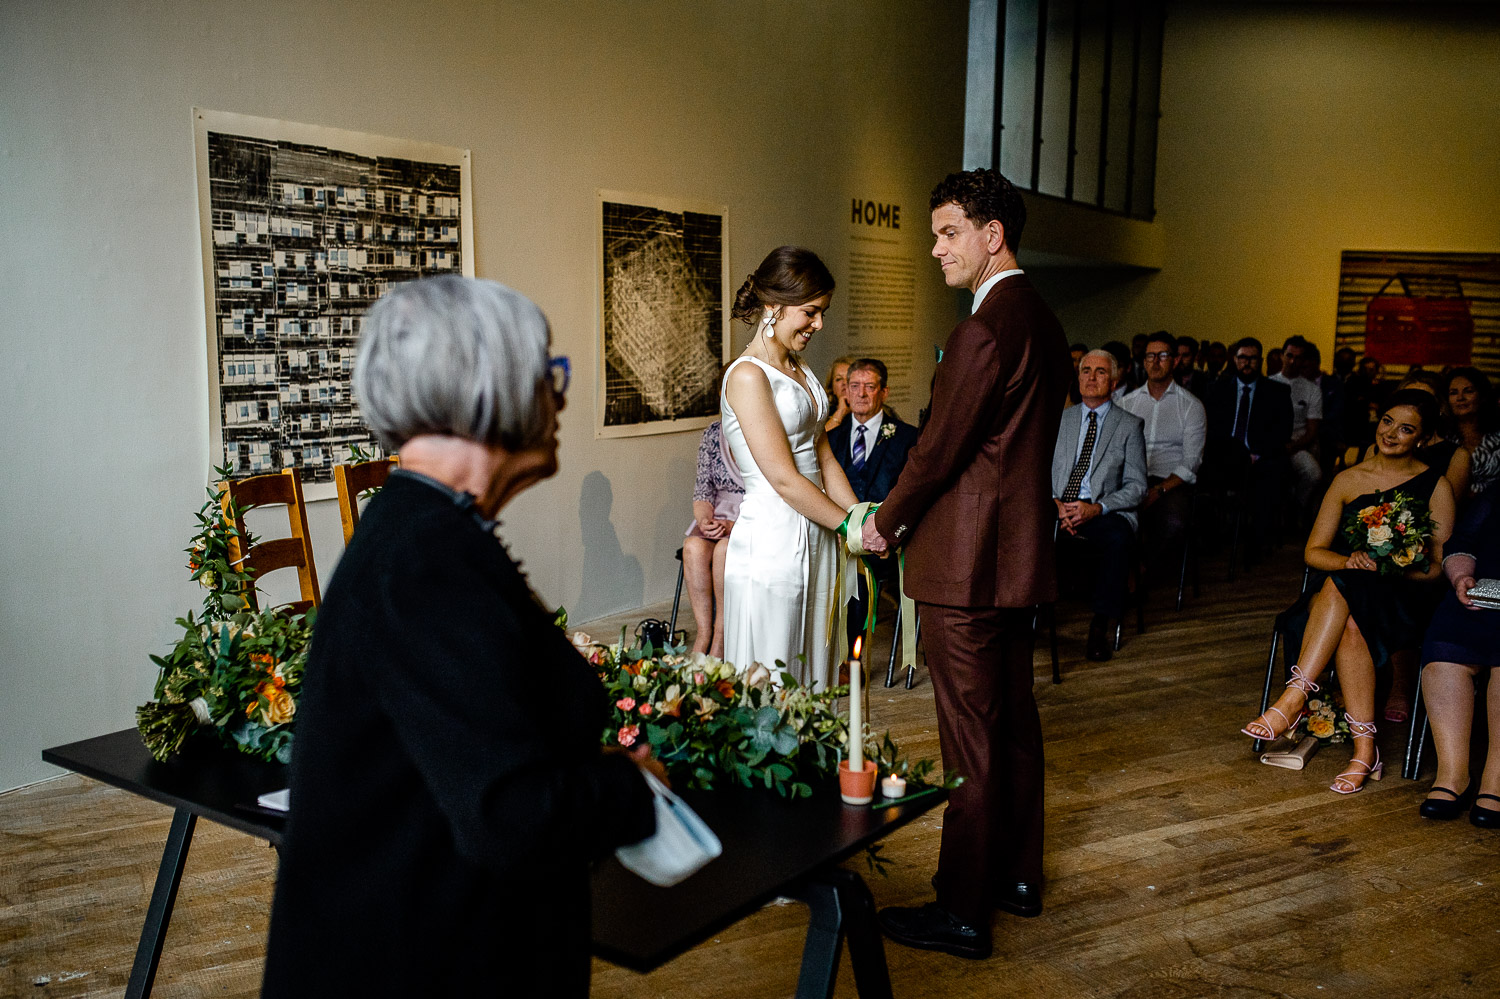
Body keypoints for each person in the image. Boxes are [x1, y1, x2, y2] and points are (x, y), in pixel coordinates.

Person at [262, 276, 661, 997]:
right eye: (547, 373)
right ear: (490, 387)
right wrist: (630, 787)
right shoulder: (427, 559)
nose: (559, 398)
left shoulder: (423, 531)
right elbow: (508, 815)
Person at [863, 168, 1071, 959]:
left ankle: (961, 910)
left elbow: (939, 449)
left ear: (993, 235)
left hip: (965, 565)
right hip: (1015, 561)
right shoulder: (1041, 317)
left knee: (972, 741)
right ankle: (1016, 877)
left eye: (949, 233)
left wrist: (885, 522)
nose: (936, 249)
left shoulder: (984, 328)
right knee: (1012, 724)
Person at [1240, 390, 1455, 795]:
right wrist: (1350, 560)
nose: (1391, 433)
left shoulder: (1436, 485)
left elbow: (1438, 566)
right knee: (1348, 605)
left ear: (1423, 438)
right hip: (1344, 593)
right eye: (1387, 421)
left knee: (1344, 595)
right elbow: (1313, 552)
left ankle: (1295, 698)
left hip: (1402, 600)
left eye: (1406, 429)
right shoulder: (1348, 479)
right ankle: (1364, 751)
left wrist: (1395, 563)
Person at [720, 246, 856, 691]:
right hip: (774, 540)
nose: (819, 324)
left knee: (816, 668)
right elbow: (782, 478)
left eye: (822, 313)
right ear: (774, 306)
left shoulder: (798, 366)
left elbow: (823, 455)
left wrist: (860, 517)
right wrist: (846, 526)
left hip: (817, 533)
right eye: (810, 312)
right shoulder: (747, 376)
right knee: (777, 674)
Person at [1052, 350, 1148, 662]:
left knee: (1118, 539)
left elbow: (1137, 486)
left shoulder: (1129, 425)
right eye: (1086, 371)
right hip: (1058, 506)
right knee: (1019, 529)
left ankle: (1099, 626)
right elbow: (1038, 471)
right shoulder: (1060, 420)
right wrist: (1055, 504)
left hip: (1102, 510)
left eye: (1101, 372)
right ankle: (1027, 614)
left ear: (1114, 381)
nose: (1092, 378)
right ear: (1077, 378)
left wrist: (1097, 508)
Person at [1417, 489, 1500, 825]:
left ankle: (1496, 780)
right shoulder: (1495, 496)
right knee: (1445, 653)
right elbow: (1460, 542)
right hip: (1486, 594)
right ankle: (1453, 776)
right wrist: (1462, 576)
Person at [827, 357, 919, 649]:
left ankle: (852, 657)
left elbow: (911, 493)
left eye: (870, 386)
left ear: (884, 392)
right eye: (854, 386)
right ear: (845, 391)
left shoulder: (908, 437)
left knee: (857, 567)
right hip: (836, 534)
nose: (861, 394)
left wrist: (886, 531)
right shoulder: (830, 439)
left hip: (885, 539)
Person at [1121, 331, 1206, 573]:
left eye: (1163, 355)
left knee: (1174, 522)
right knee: (1110, 517)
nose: (1155, 362)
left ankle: (1142, 569)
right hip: (1131, 478)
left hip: (1170, 482)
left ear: (1175, 361)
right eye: (1150, 356)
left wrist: (1158, 491)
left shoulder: (1191, 406)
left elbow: (1192, 461)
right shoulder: (1127, 403)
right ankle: (1123, 570)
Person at [1204, 337, 1293, 547]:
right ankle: (1213, 535)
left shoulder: (1277, 391)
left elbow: (1283, 432)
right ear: (1235, 360)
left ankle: (1257, 539)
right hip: (1225, 456)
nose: (1247, 363)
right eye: (1243, 357)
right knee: (1201, 472)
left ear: (1260, 361)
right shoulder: (1217, 389)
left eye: (1252, 358)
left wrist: (1257, 454)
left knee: (1274, 471)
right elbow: (1210, 429)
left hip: (1261, 457)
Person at [682, 409, 744, 657]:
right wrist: (705, 520)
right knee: (693, 547)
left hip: (752, 514)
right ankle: (704, 632)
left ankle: (721, 634)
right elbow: (702, 491)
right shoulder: (712, 433)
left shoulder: (764, 430)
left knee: (724, 551)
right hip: (717, 513)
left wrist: (735, 525)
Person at [1272, 335, 1324, 514]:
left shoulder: (1312, 390)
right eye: (1289, 356)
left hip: (1296, 445)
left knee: (1314, 474)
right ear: (1282, 356)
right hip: (1269, 444)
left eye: (1298, 358)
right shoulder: (1268, 383)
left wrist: (1292, 446)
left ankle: (1296, 509)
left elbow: (1312, 430)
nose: (1292, 361)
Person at [1445, 366, 1500, 496]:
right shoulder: (1443, 437)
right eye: (1453, 393)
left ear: (1482, 396)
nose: (1460, 398)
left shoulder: (1497, 438)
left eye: (1468, 391)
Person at [823, 354, 855, 433]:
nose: (844, 382)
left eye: (849, 378)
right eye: (839, 379)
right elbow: (816, 440)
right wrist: (840, 413)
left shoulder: (870, 411)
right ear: (832, 388)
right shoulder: (823, 415)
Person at [1173, 335, 1211, 401]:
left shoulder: (1204, 381)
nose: (1180, 359)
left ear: (1195, 357)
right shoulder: (1168, 379)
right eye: (1177, 355)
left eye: (1185, 355)